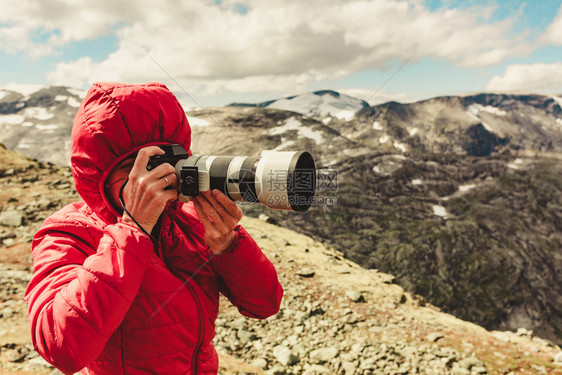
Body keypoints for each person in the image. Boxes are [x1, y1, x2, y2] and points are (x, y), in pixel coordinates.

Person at [24, 82, 284, 374]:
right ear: (99, 173)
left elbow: (265, 304)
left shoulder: (191, 220)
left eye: (167, 161)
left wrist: (228, 246)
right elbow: (61, 348)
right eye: (134, 167)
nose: (157, 177)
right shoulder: (69, 232)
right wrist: (133, 230)